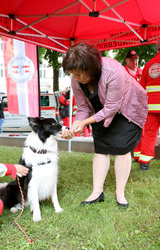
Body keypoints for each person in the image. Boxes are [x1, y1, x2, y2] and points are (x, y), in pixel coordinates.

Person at [61, 42, 148, 207]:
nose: (76, 78)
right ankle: (96, 192)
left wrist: (85, 122)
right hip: (100, 110)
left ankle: (120, 194)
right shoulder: (76, 80)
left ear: (90, 68)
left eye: (79, 74)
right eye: (73, 74)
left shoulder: (113, 71)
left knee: (121, 149)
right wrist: (74, 127)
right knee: (101, 149)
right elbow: (83, 108)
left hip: (127, 108)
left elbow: (112, 107)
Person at [134, 39, 160, 170]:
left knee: (149, 134)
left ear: (157, 47)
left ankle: (144, 163)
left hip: (151, 107)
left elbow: (141, 88)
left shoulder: (149, 65)